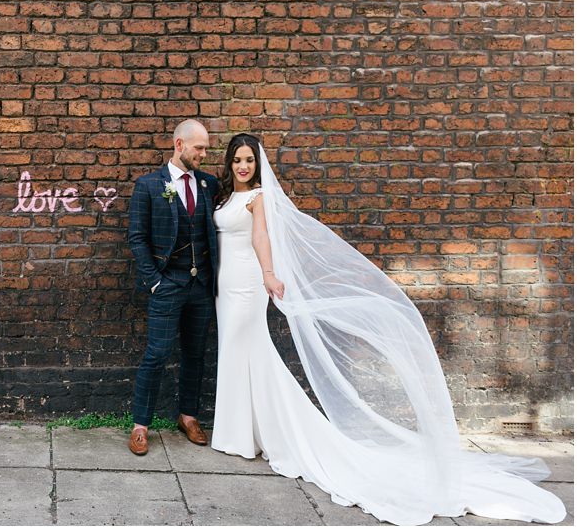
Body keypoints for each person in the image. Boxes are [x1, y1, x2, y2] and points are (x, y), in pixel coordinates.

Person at [210, 132, 565, 525]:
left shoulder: (259, 198)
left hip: (248, 283)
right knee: (236, 352)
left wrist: (270, 274)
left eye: (249, 160)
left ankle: (253, 435)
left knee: (251, 350)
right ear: (229, 163)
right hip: (224, 285)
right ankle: (241, 432)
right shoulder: (225, 197)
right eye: (238, 160)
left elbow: (261, 237)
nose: (243, 166)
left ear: (258, 164)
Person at [126, 119, 220, 456]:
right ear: (179, 145)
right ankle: (140, 426)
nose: (204, 154)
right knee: (157, 354)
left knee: (195, 355)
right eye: (199, 148)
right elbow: (136, 238)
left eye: (206, 148)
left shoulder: (210, 184)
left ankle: (188, 416)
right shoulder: (149, 186)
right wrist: (155, 282)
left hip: (201, 286)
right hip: (167, 285)